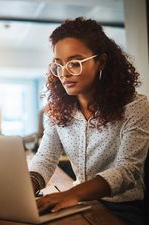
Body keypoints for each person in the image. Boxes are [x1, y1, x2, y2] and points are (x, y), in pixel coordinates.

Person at [29, 17, 149, 225]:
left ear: (100, 61)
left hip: (124, 208)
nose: (64, 73)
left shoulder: (135, 106)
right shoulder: (57, 111)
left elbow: (127, 170)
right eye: (59, 65)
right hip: (84, 204)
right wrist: (26, 186)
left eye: (74, 63)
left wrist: (70, 195)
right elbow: (46, 158)